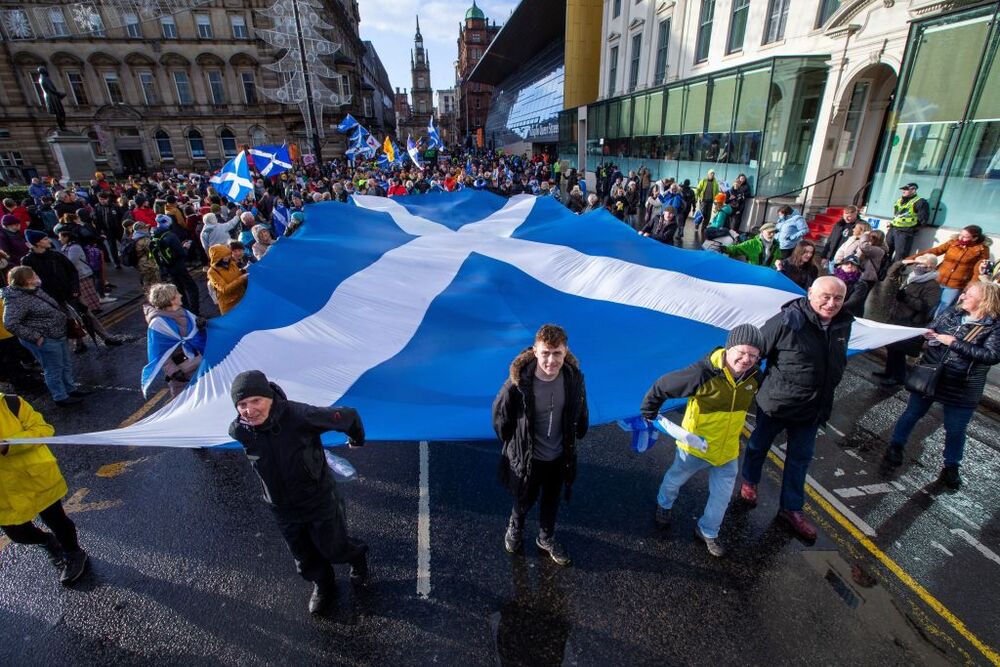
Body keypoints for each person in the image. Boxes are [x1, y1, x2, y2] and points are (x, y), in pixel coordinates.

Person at [228, 370, 370, 615]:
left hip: (318, 499)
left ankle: (357, 557)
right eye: (242, 404)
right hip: (282, 508)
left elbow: (348, 416)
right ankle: (323, 585)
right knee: (305, 560)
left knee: (334, 548)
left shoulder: (300, 415)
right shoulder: (239, 431)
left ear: (270, 397)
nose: (249, 410)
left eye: (256, 401)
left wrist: (356, 439)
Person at [740, 276, 853, 540]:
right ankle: (749, 481)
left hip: (813, 409)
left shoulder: (844, 324)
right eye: (826, 296)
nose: (831, 303)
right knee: (758, 446)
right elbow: (754, 354)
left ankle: (791, 509)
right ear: (810, 293)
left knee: (800, 459)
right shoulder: (786, 321)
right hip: (777, 405)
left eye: (838, 298)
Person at [640, 324, 764, 557]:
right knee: (675, 478)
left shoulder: (756, 376)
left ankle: (708, 531)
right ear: (729, 348)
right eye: (742, 352)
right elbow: (663, 386)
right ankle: (664, 505)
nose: (746, 359)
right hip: (695, 446)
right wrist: (649, 411)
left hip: (727, 451)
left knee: (722, 496)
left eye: (753, 355)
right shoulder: (703, 373)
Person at [882, 282, 1000, 489]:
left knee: (955, 429)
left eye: (968, 295)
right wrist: (928, 336)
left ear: (984, 301)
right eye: (964, 293)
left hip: (962, 386)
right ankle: (895, 446)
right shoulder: (951, 314)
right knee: (911, 414)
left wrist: (953, 342)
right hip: (931, 376)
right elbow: (933, 329)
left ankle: (951, 466)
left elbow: (991, 356)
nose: (962, 297)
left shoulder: (994, 326)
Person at [493, 324, 589, 566]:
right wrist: (514, 444)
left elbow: (580, 405)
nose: (551, 360)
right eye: (545, 353)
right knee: (524, 497)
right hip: (529, 457)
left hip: (559, 456)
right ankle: (515, 528)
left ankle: (545, 537)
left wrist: (581, 427)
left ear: (565, 351)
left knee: (551, 499)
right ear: (535, 351)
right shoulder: (516, 385)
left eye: (557, 353)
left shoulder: (573, 377)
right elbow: (500, 418)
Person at [0, 394, 88, 584]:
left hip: (36, 479)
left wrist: (8, 444)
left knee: (57, 521)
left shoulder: (11, 403)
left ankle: (73, 552)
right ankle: (46, 541)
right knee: (17, 534)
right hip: (4, 493)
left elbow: (44, 430)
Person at [2, 266, 86, 407]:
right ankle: (60, 396)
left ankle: (71, 389)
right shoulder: (16, 299)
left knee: (65, 363)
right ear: (26, 280)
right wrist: (36, 337)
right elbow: (10, 323)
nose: (36, 277)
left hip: (58, 334)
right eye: (33, 275)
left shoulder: (34, 290)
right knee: (53, 368)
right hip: (46, 339)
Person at [874, 254, 941, 387]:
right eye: (917, 264)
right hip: (896, 318)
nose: (918, 267)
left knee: (899, 351)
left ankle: (898, 377)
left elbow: (926, 306)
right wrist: (902, 262)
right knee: (891, 347)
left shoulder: (932, 286)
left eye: (922, 264)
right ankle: (889, 372)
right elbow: (891, 274)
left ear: (931, 267)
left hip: (910, 322)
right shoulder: (912, 278)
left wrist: (906, 298)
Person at [904, 225, 991, 318]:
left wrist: (970, 287)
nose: (961, 238)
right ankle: (922, 319)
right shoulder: (953, 243)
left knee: (943, 306)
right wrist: (912, 259)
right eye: (960, 235)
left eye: (965, 236)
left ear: (975, 238)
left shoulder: (981, 250)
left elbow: (978, 271)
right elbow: (935, 251)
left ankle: (934, 324)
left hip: (956, 285)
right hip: (938, 279)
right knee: (930, 301)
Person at [142, 283, 206, 397]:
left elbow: (198, 335)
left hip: (200, 366)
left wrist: (203, 326)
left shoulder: (185, 313)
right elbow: (160, 354)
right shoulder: (157, 324)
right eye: (177, 293)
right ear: (171, 300)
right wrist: (173, 372)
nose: (181, 295)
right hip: (183, 374)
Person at [150, 214, 199, 315]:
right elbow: (181, 253)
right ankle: (195, 313)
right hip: (178, 266)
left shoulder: (155, 235)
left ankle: (186, 312)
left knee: (179, 291)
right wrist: (185, 247)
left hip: (168, 267)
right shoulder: (171, 236)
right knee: (192, 288)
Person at [886, 183, 929, 263]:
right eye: (903, 189)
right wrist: (891, 224)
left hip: (905, 233)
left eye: (906, 189)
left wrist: (910, 229)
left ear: (913, 190)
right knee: (886, 252)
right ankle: (882, 274)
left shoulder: (920, 202)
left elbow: (923, 220)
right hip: (893, 230)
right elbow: (897, 215)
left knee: (900, 257)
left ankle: (893, 275)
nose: (903, 191)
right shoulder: (899, 200)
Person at [206, 244, 248, 315]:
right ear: (217, 257)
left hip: (242, 299)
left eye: (228, 254)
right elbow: (224, 289)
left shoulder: (231, 263)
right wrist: (241, 278)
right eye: (225, 255)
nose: (228, 257)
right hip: (230, 307)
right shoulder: (212, 272)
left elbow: (236, 275)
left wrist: (243, 271)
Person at [821, 205, 861, 273]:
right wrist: (824, 256)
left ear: (855, 214)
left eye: (849, 217)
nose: (846, 219)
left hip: (847, 261)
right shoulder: (839, 224)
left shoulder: (860, 225)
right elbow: (830, 240)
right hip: (833, 258)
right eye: (845, 216)